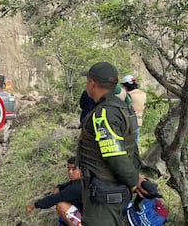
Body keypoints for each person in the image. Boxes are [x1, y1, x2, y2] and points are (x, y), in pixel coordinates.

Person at [77, 62, 145, 226]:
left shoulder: (103, 113)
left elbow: (114, 154)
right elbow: (132, 148)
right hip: (114, 189)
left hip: (104, 194)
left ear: (92, 83)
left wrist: (134, 180)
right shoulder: (124, 108)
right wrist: (136, 177)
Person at [25, 156, 83, 226]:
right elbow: (63, 186)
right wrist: (58, 187)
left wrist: (34, 205)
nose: (70, 172)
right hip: (87, 214)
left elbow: (54, 199)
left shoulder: (77, 187)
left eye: (74, 169)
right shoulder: (81, 181)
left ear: (81, 169)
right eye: (68, 169)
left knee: (61, 205)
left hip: (89, 219)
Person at [121, 75, 146, 142]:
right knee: (135, 143)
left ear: (126, 85)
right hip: (139, 122)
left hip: (129, 122)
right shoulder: (143, 94)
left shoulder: (128, 95)